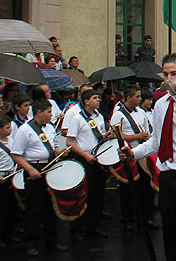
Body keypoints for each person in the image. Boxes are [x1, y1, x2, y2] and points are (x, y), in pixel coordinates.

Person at [122, 52, 176, 261]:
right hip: (167, 174)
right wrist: (133, 153)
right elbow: (156, 141)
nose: (169, 79)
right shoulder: (161, 104)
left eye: (174, 73)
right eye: (166, 74)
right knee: (169, 230)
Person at [11, 98, 68, 256]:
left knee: (50, 207)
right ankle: (31, 242)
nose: (52, 115)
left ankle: (52, 240)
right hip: (34, 169)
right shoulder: (25, 130)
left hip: (49, 167)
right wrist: (30, 169)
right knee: (34, 208)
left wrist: (59, 152)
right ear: (39, 112)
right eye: (49, 112)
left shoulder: (49, 127)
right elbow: (16, 154)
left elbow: (53, 146)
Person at [66, 90, 108, 240]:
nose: (98, 100)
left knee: (98, 194)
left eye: (98, 97)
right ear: (86, 101)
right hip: (84, 159)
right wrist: (85, 155)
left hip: (98, 159)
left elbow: (100, 136)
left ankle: (93, 226)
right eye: (94, 98)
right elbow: (70, 142)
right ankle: (78, 228)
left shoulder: (99, 117)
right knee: (84, 195)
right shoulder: (77, 118)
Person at [110, 84, 151, 230]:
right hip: (129, 154)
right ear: (128, 98)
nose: (140, 99)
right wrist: (136, 136)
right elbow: (113, 134)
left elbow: (146, 129)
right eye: (137, 96)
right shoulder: (119, 114)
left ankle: (144, 217)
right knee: (128, 189)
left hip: (142, 152)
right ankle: (128, 218)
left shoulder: (141, 112)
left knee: (145, 188)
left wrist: (146, 136)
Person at [0, 115, 18, 248]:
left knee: (11, 207)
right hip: (0, 179)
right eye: (7, 128)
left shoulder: (12, 141)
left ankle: (9, 232)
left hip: (12, 176)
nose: (10, 130)